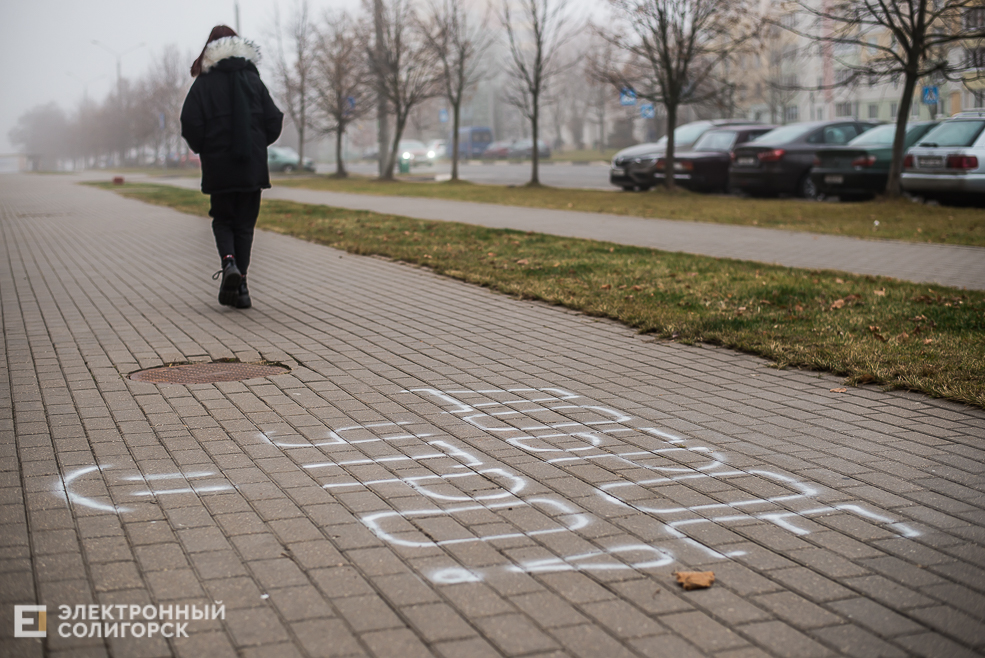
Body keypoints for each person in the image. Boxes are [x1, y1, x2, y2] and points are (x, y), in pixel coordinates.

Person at [180, 25, 283, 308]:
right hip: (251, 166)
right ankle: (243, 288)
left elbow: (190, 122)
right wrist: (257, 144)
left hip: (219, 166)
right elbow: (274, 120)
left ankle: (229, 265)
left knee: (223, 219)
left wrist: (206, 147)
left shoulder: (204, 82)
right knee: (245, 226)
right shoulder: (253, 79)